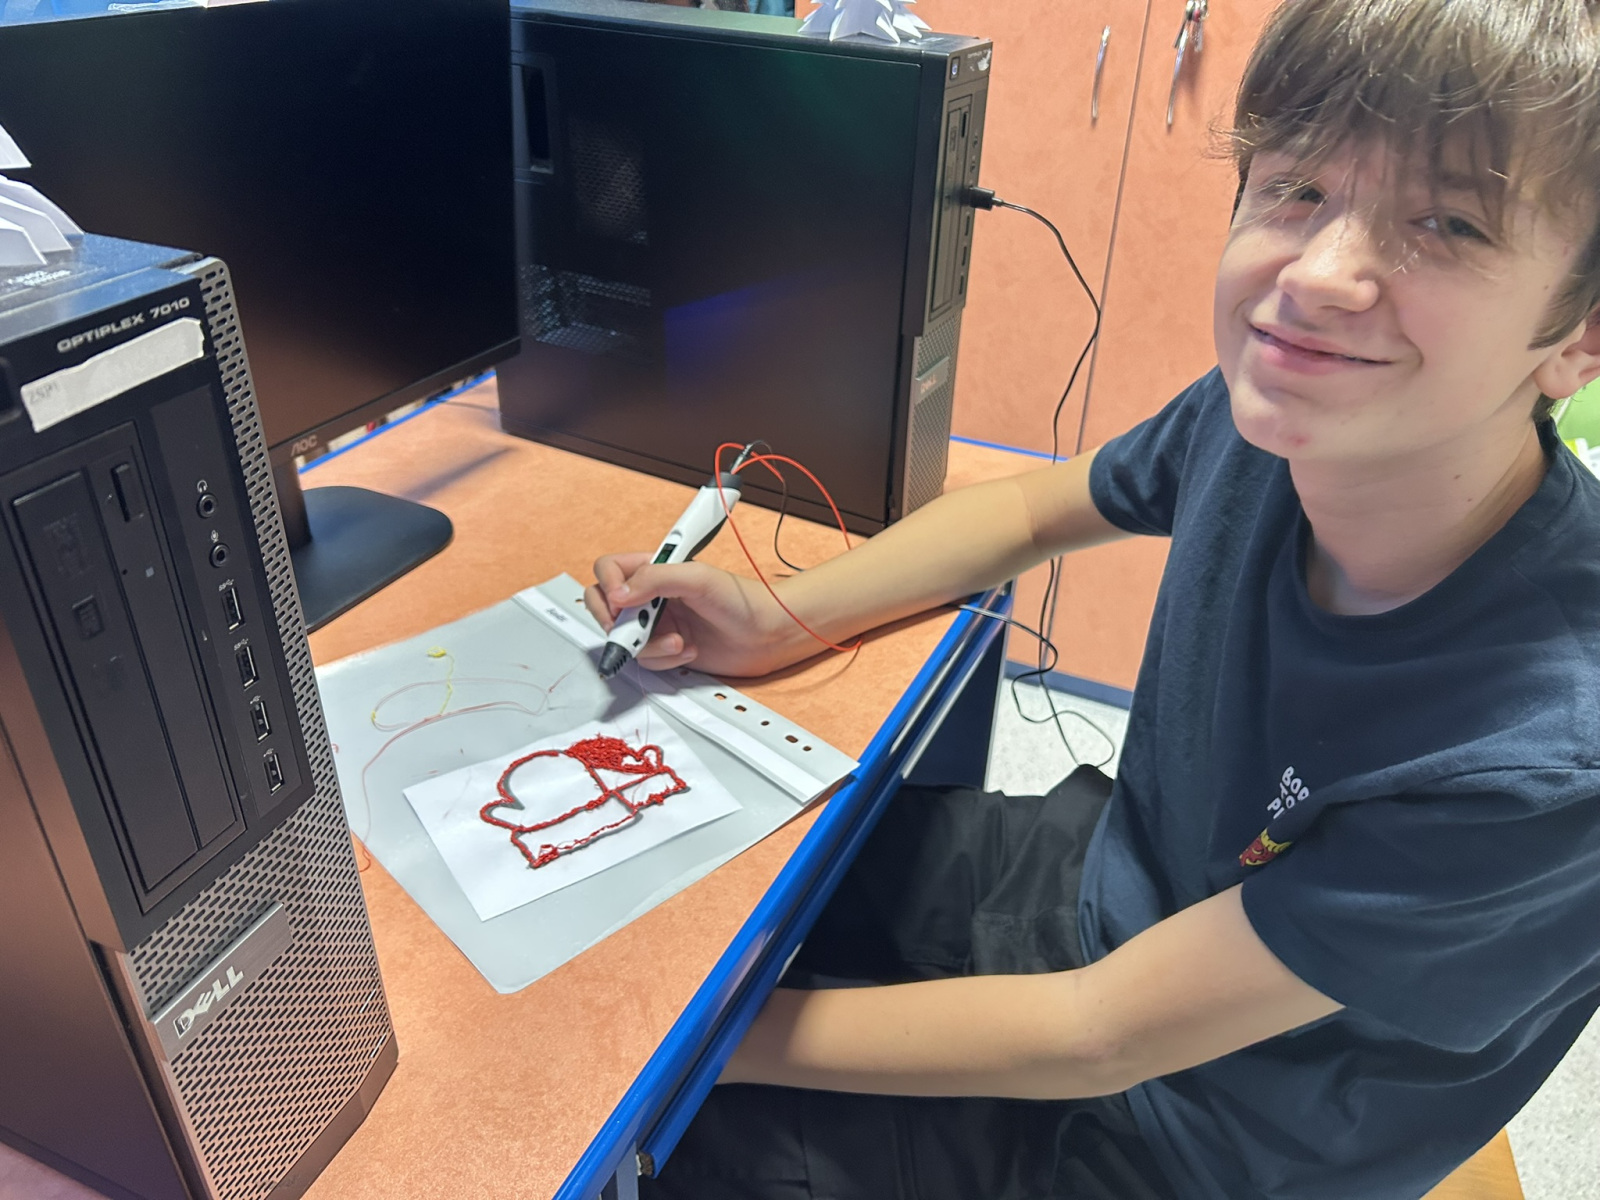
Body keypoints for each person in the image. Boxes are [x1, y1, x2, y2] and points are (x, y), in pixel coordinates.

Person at [583, 0, 1600, 1195]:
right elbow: (1030, 511)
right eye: (1296, 189)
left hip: (1196, 1134)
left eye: (1447, 223)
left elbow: (1100, 1034)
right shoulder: (1272, 412)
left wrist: (677, 1058)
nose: (1318, 277)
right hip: (1103, 888)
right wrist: (779, 619)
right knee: (712, 877)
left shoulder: (1546, 760)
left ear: (1578, 339)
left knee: (656, 1143)